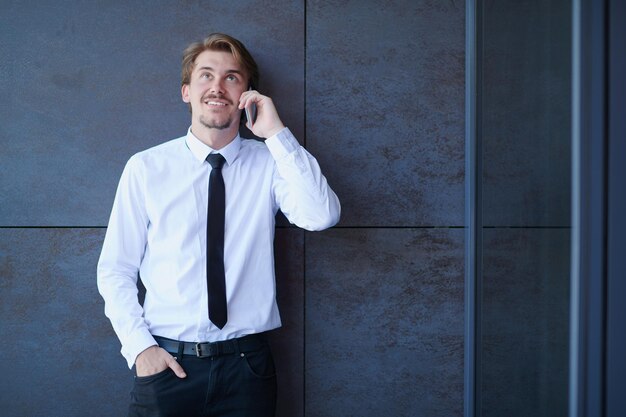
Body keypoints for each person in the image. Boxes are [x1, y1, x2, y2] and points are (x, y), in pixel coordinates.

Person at [97, 33, 340, 417]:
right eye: (206, 75)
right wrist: (141, 350)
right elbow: (115, 270)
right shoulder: (145, 168)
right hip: (168, 367)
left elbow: (321, 215)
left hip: (247, 368)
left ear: (247, 94)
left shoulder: (270, 162)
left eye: (232, 77)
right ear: (186, 92)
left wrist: (277, 133)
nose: (217, 87)